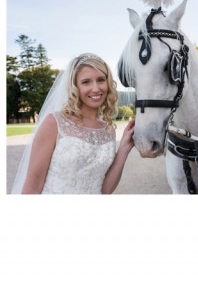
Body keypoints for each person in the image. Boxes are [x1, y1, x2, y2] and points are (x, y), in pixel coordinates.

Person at [11, 54, 137, 193]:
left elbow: (104, 190)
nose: (95, 88)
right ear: (75, 87)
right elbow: (33, 184)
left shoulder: (107, 129)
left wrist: (124, 149)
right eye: (86, 82)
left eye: (101, 80)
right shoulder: (54, 122)